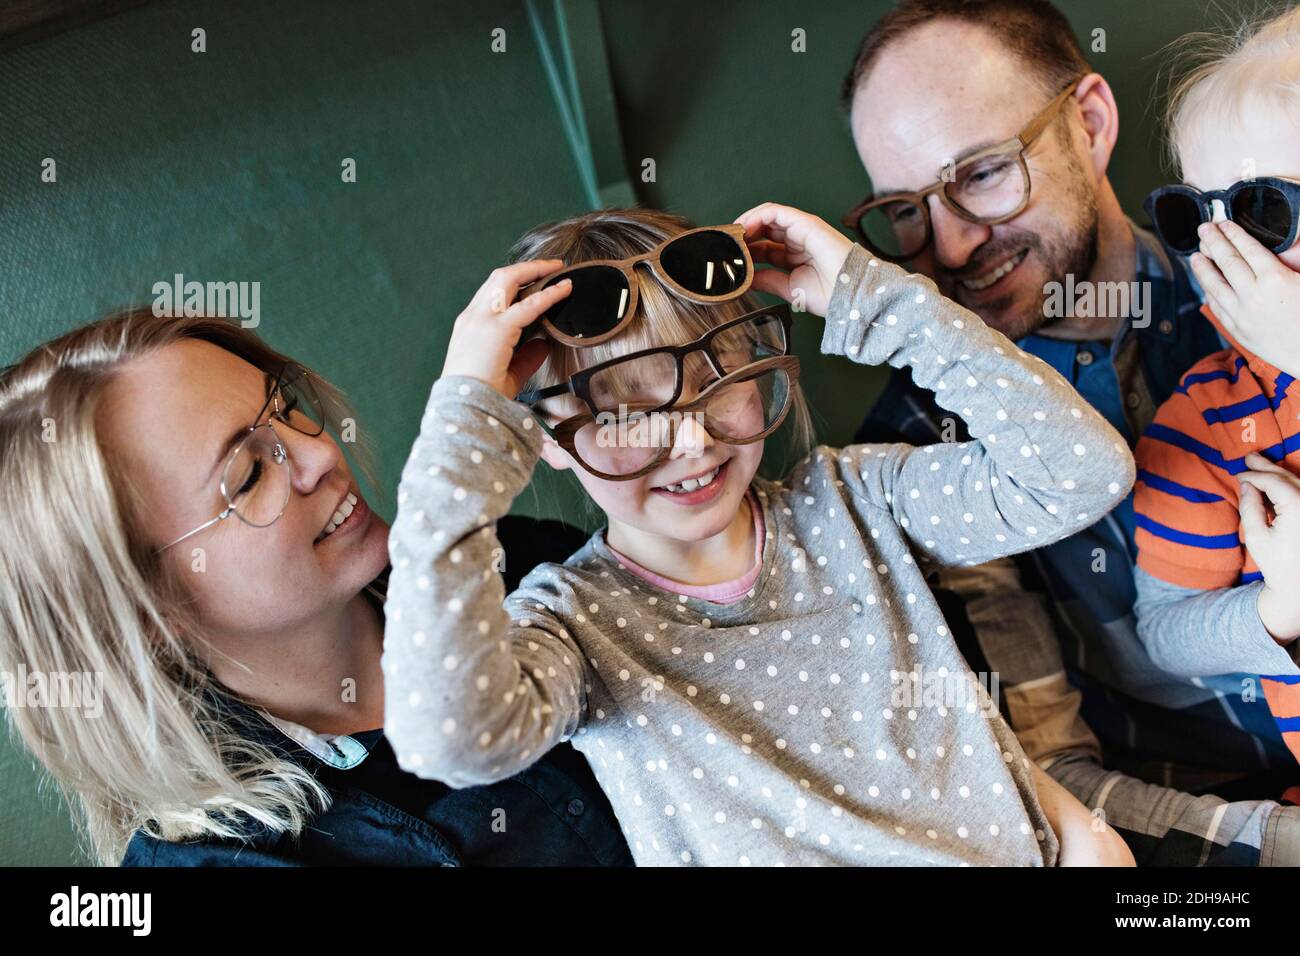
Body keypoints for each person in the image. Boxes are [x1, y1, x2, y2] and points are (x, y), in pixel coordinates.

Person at [380, 203, 1136, 865]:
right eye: (621, 414)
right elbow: (449, 739)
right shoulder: (572, 626)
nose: (689, 444)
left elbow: (1079, 474)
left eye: (716, 380)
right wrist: (468, 422)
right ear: (539, 434)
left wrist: (881, 303)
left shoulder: (853, 499)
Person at [841, 0, 1300, 864]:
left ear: (1088, 123)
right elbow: (1053, 776)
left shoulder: (1262, 267)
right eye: (904, 210)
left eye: (978, 173)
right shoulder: (923, 453)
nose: (949, 245)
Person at [0, 308, 632, 866]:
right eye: (249, 476)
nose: (318, 455)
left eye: (286, 409)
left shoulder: (518, 562)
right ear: (147, 611)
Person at [1132, 6, 1300, 765]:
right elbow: (1166, 630)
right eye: (1198, 216)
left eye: (1266, 209)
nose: (1226, 248)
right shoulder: (1211, 413)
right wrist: (1283, 603)